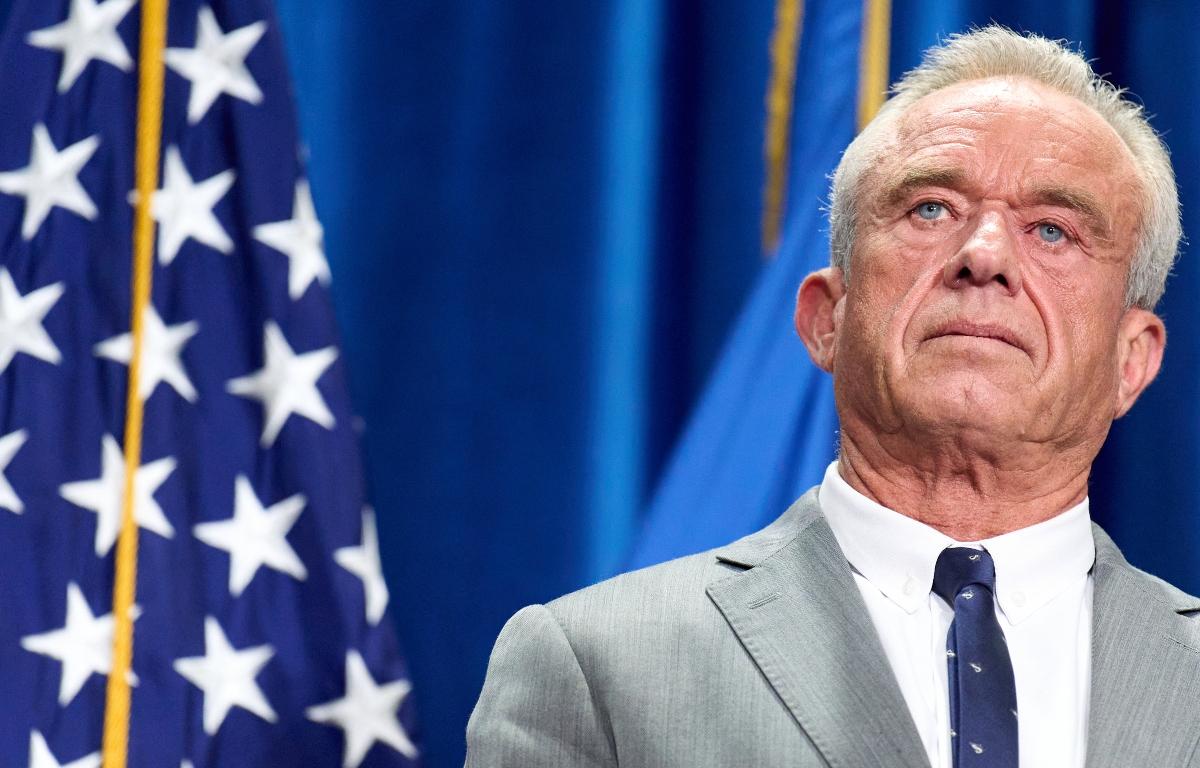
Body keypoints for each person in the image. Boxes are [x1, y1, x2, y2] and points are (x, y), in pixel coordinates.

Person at [465, 27, 1200, 768]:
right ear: (825, 319)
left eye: (1052, 229)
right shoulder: (598, 670)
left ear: (1130, 361)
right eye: (931, 210)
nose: (985, 256)